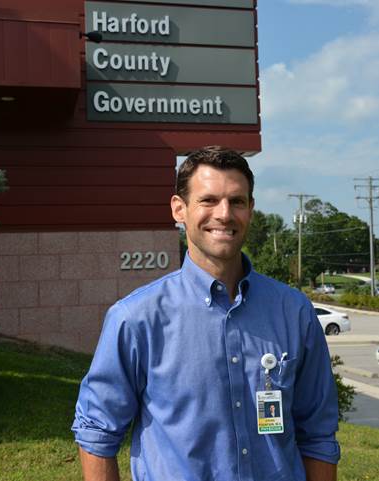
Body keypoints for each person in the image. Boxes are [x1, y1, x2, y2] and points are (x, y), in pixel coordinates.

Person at [72, 146, 340, 481]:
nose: (224, 214)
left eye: (237, 201)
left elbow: (317, 434)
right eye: (209, 200)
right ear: (179, 209)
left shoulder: (294, 312)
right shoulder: (137, 318)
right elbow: (97, 431)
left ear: (251, 210)